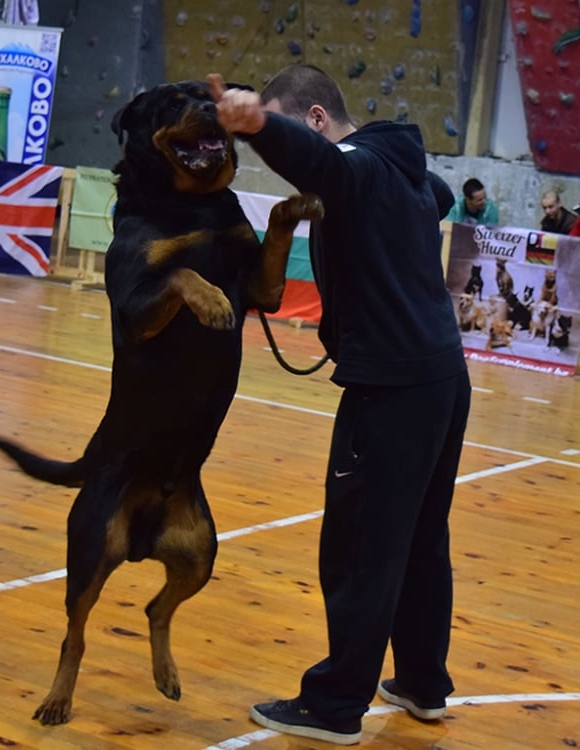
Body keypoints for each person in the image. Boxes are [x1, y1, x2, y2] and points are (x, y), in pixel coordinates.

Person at [208, 65, 471, 745]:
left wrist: (258, 126)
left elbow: (326, 165)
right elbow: (435, 195)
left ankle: (335, 705)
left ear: (318, 119)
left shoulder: (355, 166)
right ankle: (421, 682)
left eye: (296, 131)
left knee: (361, 547)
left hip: (393, 387)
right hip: (442, 374)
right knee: (419, 539)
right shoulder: (401, 167)